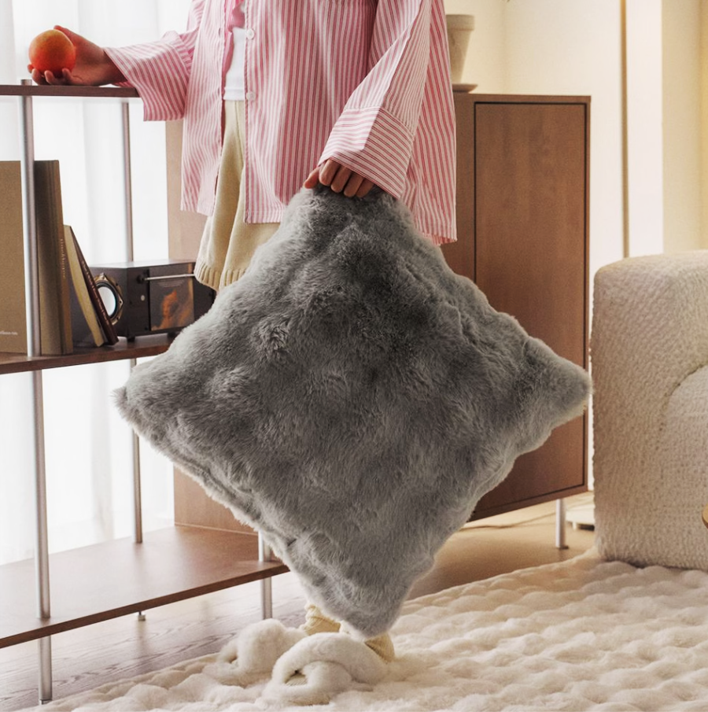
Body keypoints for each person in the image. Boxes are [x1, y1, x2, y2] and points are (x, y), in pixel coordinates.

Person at [30, 0, 457, 660]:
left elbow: (410, 36)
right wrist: (113, 61)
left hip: (329, 164)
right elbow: (214, 43)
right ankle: (331, 617)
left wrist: (364, 148)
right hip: (247, 159)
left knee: (336, 398)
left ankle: (353, 627)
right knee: (285, 405)